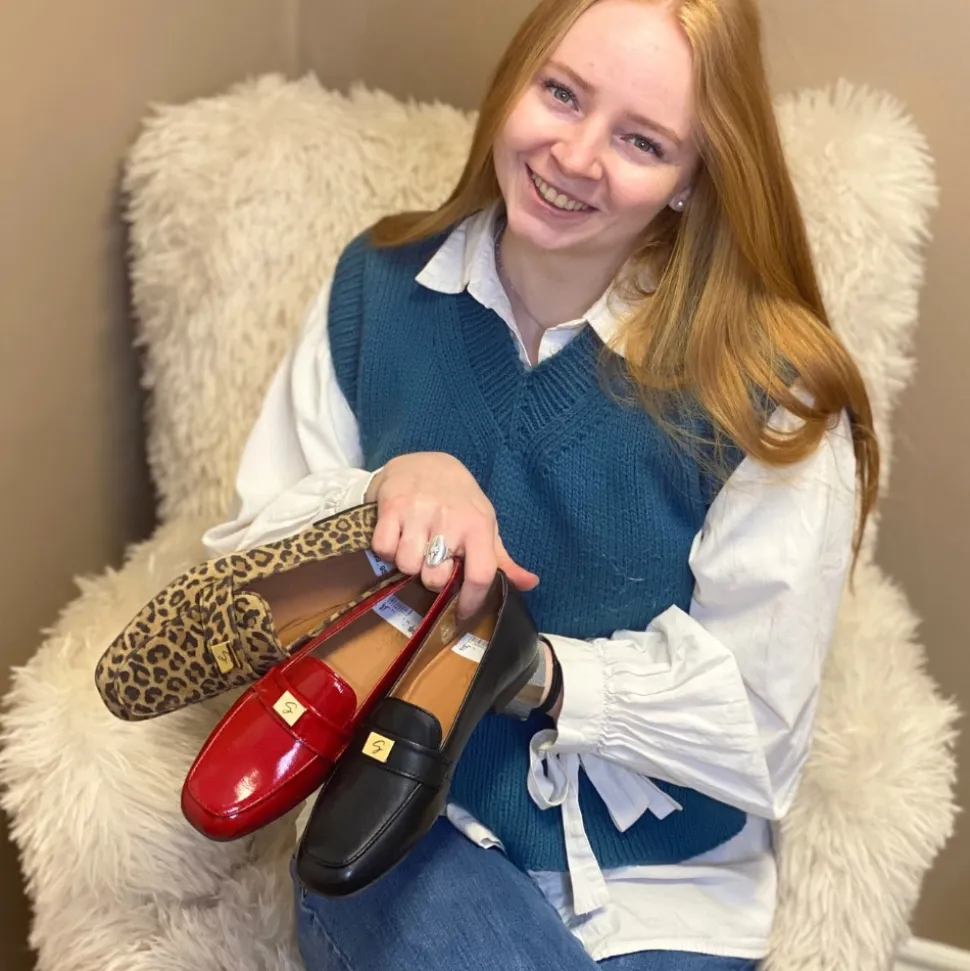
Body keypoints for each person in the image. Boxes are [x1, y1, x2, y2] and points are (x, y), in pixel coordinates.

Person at [203, 0, 877, 967]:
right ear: (514, 79)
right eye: (561, 93)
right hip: (406, 830)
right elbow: (247, 580)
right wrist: (386, 490)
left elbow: (759, 731)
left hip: (661, 896)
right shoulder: (378, 288)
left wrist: (532, 671)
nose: (576, 156)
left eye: (642, 141)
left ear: (693, 177)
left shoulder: (773, 393)